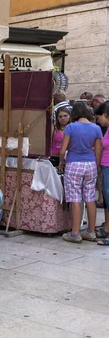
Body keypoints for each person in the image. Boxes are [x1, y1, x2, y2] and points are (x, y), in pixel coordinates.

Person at [59, 102, 102, 243]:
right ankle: (90, 231)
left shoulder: (71, 127)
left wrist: (61, 162)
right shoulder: (96, 128)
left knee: (75, 197)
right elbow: (98, 151)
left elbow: (63, 150)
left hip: (74, 164)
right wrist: (96, 166)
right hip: (90, 164)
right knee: (90, 197)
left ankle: (75, 233)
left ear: (74, 114)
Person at [93, 102, 109, 245]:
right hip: (105, 167)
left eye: (99, 117)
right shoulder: (108, 129)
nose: (98, 121)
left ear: (105, 115)